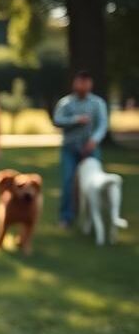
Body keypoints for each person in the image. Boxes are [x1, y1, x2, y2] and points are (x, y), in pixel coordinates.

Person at [53, 70, 109, 227]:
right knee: (68, 181)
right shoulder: (66, 103)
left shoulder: (98, 103)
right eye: (80, 81)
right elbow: (57, 120)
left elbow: (103, 124)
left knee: (94, 183)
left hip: (91, 149)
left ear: (90, 84)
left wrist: (94, 140)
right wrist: (76, 120)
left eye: (86, 82)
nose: (83, 85)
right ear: (74, 83)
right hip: (70, 148)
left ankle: (92, 217)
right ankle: (66, 216)